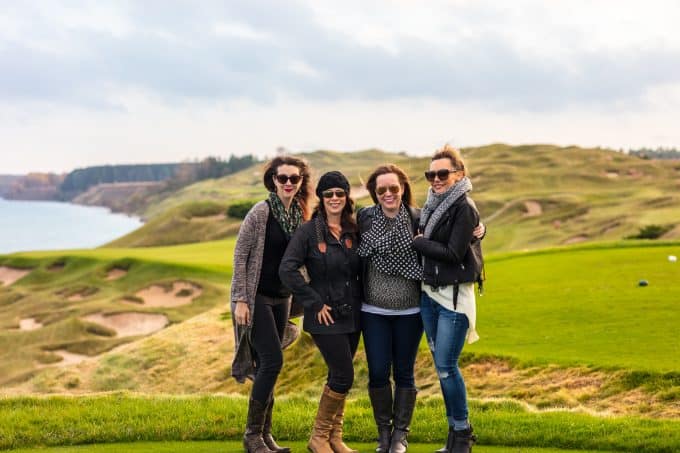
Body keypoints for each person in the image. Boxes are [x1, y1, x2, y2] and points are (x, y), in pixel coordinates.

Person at [358, 164, 485, 453]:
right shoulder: (364, 217)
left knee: (405, 372)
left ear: (403, 188)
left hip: (411, 311)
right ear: (374, 193)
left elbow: (454, 239)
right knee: (378, 372)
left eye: (393, 188)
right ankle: (384, 435)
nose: (388, 194)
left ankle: (401, 436)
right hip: (373, 311)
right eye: (381, 190)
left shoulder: (418, 217)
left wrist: (480, 230)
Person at [231, 156, 312, 453]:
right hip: (256, 297)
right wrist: (241, 299)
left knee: (268, 365)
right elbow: (240, 257)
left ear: (301, 181)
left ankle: (265, 436)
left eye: (294, 178)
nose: (288, 183)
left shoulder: (299, 216)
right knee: (273, 361)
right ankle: (252, 435)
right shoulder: (260, 212)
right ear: (273, 181)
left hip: (283, 298)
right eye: (283, 178)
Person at [279, 171, 361, 453]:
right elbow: (287, 269)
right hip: (324, 316)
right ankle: (318, 438)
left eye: (340, 193)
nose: (335, 199)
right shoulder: (309, 231)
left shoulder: (353, 228)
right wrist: (313, 302)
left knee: (339, 375)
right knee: (344, 375)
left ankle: (334, 438)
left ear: (346, 196)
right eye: (329, 194)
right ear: (321, 198)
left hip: (352, 315)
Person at [412, 145, 484, 453]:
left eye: (443, 173)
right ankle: (455, 437)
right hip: (429, 295)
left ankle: (462, 433)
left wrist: (420, 243)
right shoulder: (432, 204)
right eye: (431, 174)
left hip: (453, 300)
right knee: (443, 368)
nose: (436, 179)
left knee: (445, 366)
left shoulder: (463, 206)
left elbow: (454, 254)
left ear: (459, 174)